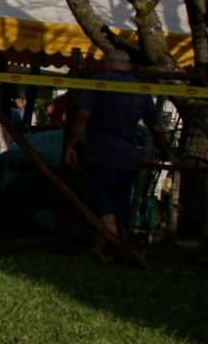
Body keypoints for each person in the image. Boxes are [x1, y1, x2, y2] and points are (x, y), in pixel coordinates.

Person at [64, 47, 166, 257]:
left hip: (100, 152)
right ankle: (101, 250)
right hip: (128, 155)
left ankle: (115, 244)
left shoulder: (99, 83)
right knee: (118, 202)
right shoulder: (141, 89)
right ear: (127, 65)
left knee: (100, 201)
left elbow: (82, 116)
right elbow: (156, 124)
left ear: (108, 63)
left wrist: (71, 145)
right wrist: (167, 151)